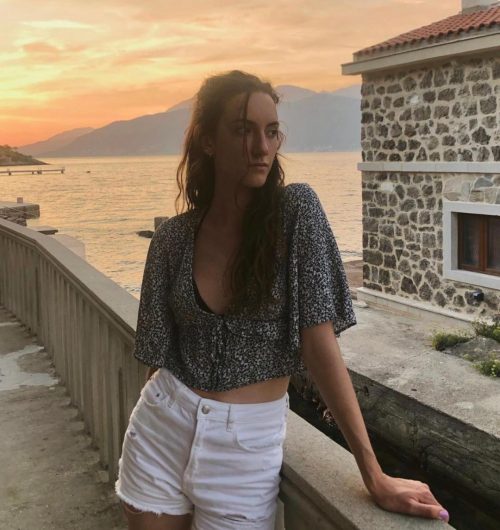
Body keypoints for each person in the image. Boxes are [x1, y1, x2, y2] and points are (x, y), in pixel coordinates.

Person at [114, 70, 449, 530]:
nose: (262, 147)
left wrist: (373, 473)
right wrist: (162, 418)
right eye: (243, 130)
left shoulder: (296, 214)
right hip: (160, 432)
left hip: (245, 450)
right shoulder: (172, 239)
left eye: (271, 131)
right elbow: (157, 358)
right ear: (208, 141)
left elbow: (319, 344)